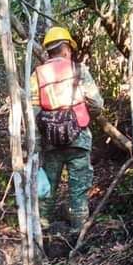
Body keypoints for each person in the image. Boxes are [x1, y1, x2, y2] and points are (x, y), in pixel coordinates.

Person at [30, 27, 104, 233]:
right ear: (65, 49)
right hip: (78, 139)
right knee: (78, 191)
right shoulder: (79, 70)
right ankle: (77, 237)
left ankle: (43, 236)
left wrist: (36, 147)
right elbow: (97, 104)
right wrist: (84, 116)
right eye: (70, 48)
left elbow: (33, 113)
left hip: (50, 143)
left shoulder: (36, 76)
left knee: (47, 192)